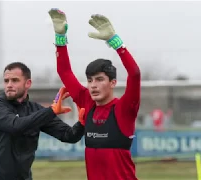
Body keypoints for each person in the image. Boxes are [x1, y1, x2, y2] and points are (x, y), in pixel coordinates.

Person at [48, 9, 141, 180]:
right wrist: (60, 37)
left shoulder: (124, 108)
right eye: (90, 80)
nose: (93, 86)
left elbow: (134, 73)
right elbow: (64, 71)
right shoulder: (88, 103)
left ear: (113, 83)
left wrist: (116, 43)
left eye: (99, 80)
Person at [0, 62, 85, 180]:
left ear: (28, 83)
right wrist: (51, 111)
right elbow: (15, 126)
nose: (9, 85)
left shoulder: (36, 110)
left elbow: (69, 135)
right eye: (6, 81)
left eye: (15, 80)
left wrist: (82, 123)